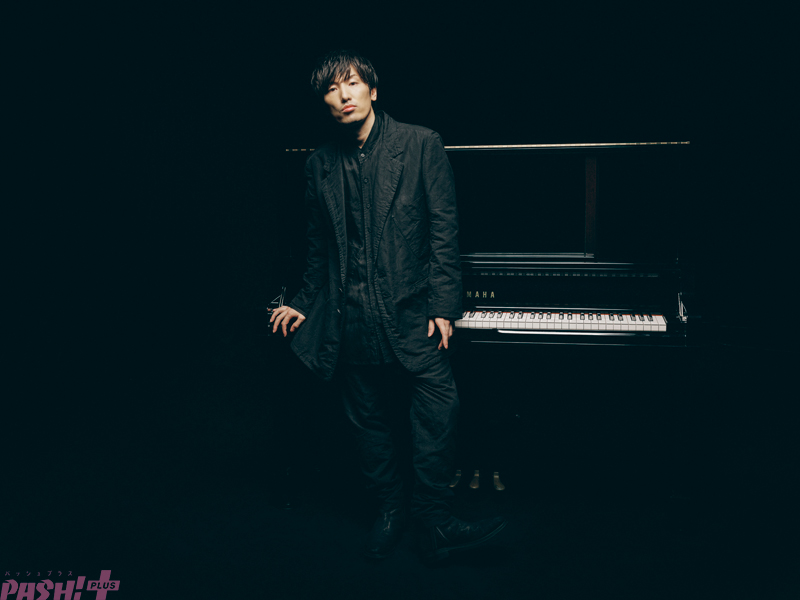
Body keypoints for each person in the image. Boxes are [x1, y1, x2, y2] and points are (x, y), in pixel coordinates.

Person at [270, 49, 506, 564]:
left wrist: (444, 305)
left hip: (411, 312)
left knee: (438, 409)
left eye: (352, 83)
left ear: (373, 90)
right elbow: (317, 248)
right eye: (332, 88)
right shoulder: (317, 164)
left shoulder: (421, 144)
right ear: (324, 102)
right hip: (349, 316)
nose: (344, 95)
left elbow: (444, 230)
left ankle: (434, 519)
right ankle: (390, 510)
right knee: (367, 422)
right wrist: (303, 302)